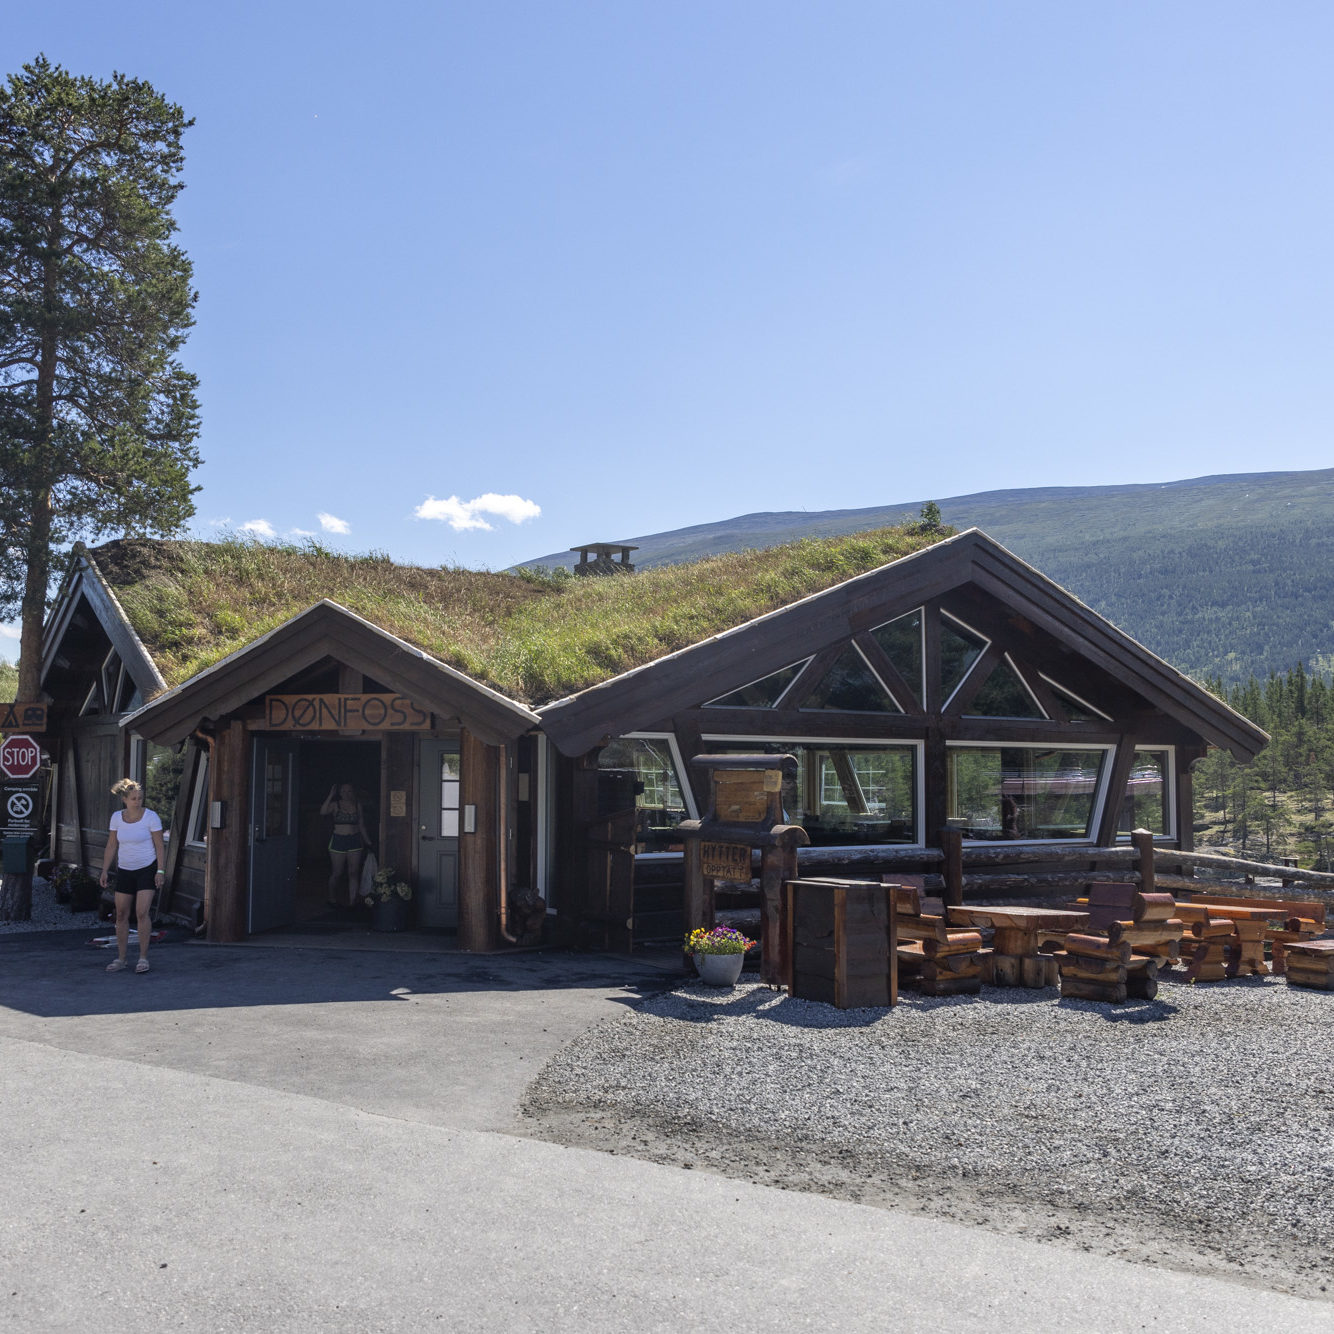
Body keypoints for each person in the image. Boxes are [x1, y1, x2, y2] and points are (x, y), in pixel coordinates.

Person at [99, 778, 166, 974]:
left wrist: (160, 871)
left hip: (147, 868)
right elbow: (112, 845)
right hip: (125, 870)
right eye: (134, 798)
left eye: (140, 798)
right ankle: (121, 958)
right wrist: (104, 870)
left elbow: (160, 846)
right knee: (121, 914)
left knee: (142, 913)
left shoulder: (151, 817)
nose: (137, 802)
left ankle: (143, 958)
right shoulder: (117, 818)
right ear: (125, 799)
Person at [320, 782, 369, 908]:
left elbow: (361, 825)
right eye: (343, 791)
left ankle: (353, 901)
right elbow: (323, 812)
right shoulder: (335, 805)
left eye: (349, 791)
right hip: (338, 840)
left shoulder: (358, 805)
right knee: (337, 873)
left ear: (353, 792)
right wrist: (330, 795)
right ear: (339, 793)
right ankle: (332, 898)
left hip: (355, 840)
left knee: (353, 872)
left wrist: (368, 841)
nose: (346, 794)